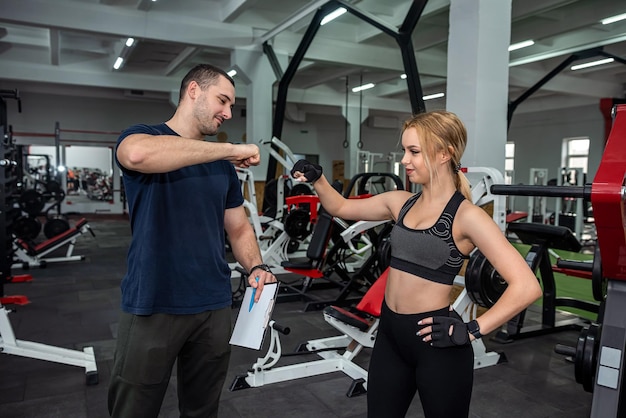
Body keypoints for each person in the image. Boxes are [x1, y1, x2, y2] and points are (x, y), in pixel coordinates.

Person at [290, 110, 542, 418]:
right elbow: (341, 207)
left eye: (414, 152)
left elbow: (526, 286)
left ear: (444, 154)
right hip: (390, 336)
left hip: (436, 343)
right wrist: (318, 179)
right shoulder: (400, 202)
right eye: (405, 151)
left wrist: (473, 329)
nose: (404, 160)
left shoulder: (467, 217)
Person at [108, 63, 277, 418]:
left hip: (212, 304)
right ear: (194, 91)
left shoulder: (220, 166)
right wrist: (230, 150)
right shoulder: (143, 135)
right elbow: (138, 155)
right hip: (153, 300)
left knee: (202, 409)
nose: (228, 113)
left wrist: (256, 266)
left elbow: (239, 228)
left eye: (232, 106)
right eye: (223, 100)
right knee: (134, 408)